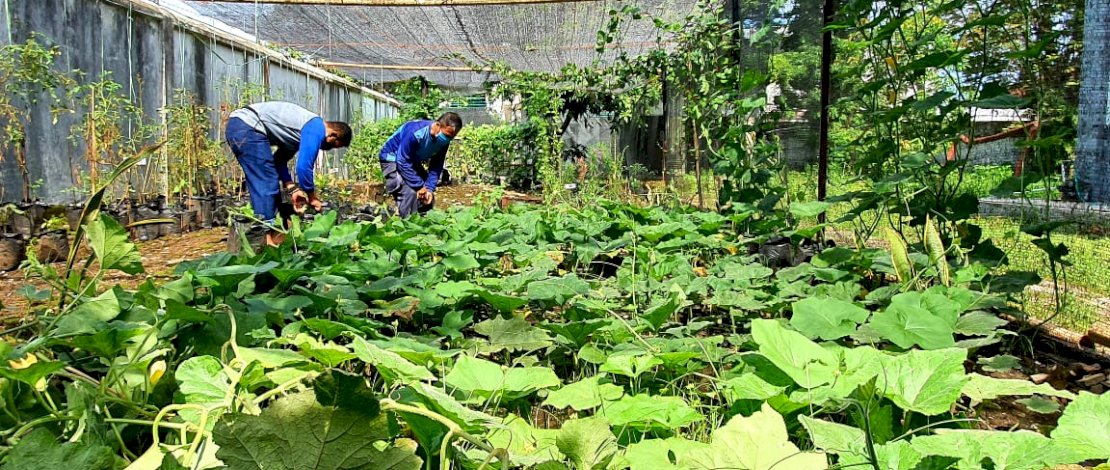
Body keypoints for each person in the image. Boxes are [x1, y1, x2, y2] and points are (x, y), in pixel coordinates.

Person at [225, 101, 352, 246]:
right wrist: (312, 197)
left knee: (266, 178)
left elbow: (278, 162)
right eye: (333, 146)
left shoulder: (296, 135)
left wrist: (293, 188)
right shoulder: (316, 128)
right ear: (333, 135)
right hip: (247, 126)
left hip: (242, 126)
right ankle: (266, 240)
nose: (327, 149)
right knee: (266, 181)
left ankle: (272, 233)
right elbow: (304, 168)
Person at [378, 112, 463, 217]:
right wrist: (418, 186)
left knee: (427, 196)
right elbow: (402, 161)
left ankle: (425, 226)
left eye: (451, 137)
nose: (447, 140)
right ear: (437, 125)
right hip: (392, 159)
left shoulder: (444, 142)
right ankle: (407, 226)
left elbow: (436, 165)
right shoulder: (415, 132)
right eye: (446, 135)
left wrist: (429, 188)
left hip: (411, 161)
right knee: (409, 193)